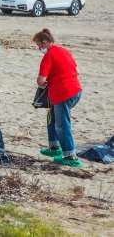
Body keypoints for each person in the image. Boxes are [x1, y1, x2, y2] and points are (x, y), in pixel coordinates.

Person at [33, 29, 83, 167]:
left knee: (62, 124)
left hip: (64, 94)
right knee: (52, 117)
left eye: (38, 45)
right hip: (75, 91)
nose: (39, 49)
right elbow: (77, 71)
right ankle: (54, 147)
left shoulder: (48, 56)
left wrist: (43, 81)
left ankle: (71, 156)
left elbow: (41, 80)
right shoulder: (65, 51)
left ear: (44, 43)